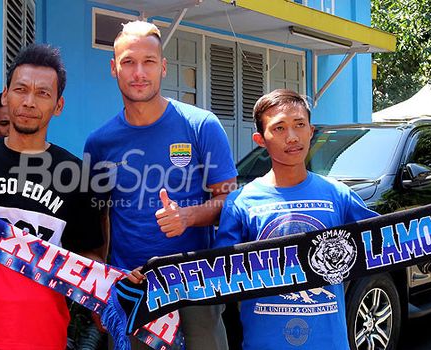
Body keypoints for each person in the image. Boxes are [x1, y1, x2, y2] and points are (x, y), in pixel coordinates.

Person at [0, 44, 104, 349]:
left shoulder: (74, 174)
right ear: (5, 95)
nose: (28, 101)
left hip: (43, 335)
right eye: (21, 89)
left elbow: (90, 257)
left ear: (58, 105)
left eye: (42, 93)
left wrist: (112, 289)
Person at [84, 20, 236, 349]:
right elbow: (99, 219)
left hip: (198, 286)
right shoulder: (99, 143)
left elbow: (230, 202)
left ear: (163, 67)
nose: (139, 72)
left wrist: (188, 216)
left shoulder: (201, 126)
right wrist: (102, 285)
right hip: (132, 287)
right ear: (114, 68)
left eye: (149, 62)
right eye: (128, 62)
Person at [214, 89, 379, 349]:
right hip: (263, 343)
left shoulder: (337, 195)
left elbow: (393, 239)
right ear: (260, 139)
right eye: (279, 128)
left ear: (311, 131)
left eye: (299, 125)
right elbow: (216, 274)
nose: (292, 137)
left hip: (330, 343)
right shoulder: (241, 202)